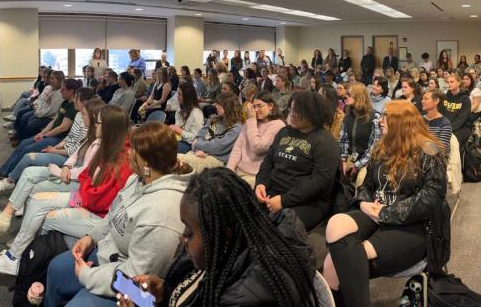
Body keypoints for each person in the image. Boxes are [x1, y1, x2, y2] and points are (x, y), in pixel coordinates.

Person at [117, 167, 318, 307]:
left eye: (190, 231)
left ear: (223, 236)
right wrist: (165, 291)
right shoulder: (225, 251)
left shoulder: (241, 299)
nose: (182, 238)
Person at [44, 122, 194, 306]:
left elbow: (135, 281)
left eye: (133, 150)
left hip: (134, 293)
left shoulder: (161, 214)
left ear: (146, 162)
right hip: (109, 256)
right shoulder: (138, 179)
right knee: (56, 268)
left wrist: (87, 276)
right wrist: (91, 238)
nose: (128, 153)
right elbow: (113, 215)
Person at [323, 100, 449, 307]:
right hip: (375, 211)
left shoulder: (429, 151)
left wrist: (386, 213)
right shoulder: (382, 147)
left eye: (386, 116)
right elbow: (368, 185)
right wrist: (363, 203)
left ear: (402, 122)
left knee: (332, 262)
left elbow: (432, 198)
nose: (380, 121)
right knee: (335, 223)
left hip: (413, 223)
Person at [0, 105, 132, 276]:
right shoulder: (108, 147)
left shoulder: (120, 159)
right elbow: (86, 176)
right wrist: (78, 181)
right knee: (37, 199)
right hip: (85, 198)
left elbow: (97, 198)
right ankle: (16, 256)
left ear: (109, 127)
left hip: (97, 213)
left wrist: (80, 191)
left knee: (43, 213)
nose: (95, 126)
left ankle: (23, 259)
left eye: (98, 123)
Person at [0, 98, 104, 232]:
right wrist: (65, 162)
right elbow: (74, 152)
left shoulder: (97, 140)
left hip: (74, 177)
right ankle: (6, 214)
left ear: (94, 117)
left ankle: (11, 191)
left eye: (84, 114)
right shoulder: (89, 132)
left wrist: (59, 162)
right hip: (68, 167)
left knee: (30, 165)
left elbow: (83, 167)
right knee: (28, 167)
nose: (80, 116)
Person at [255, 91, 339, 231]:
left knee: (280, 229)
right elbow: (268, 161)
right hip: (274, 192)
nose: (291, 114)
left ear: (310, 114)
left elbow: (320, 183)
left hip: (307, 202)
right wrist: (261, 183)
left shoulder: (326, 142)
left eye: (295, 111)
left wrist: (284, 200)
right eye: (291, 109)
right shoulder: (284, 132)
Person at [0, 89, 95, 192]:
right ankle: (7, 173)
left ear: (85, 102)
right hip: (63, 148)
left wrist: (55, 150)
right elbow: (70, 136)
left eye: (77, 98)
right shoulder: (78, 115)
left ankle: (9, 180)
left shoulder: (89, 123)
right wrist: (56, 145)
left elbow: (76, 150)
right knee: (25, 144)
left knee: (28, 155)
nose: (74, 100)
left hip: (69, 157)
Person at [0, 79, 80, 182]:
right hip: (50, 134)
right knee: (23, 143)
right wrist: (42, 133)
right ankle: (3, 170)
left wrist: (45, 135)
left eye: (63, 90)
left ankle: (7, 174)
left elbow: (63, 127)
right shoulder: (65, 102)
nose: (60, 91)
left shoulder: (73, 107)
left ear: (71, 91)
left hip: (58, 138)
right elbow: (54, 120)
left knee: (27, 149)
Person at [228, 92, 285, 187]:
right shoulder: (251, 122)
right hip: (238, 171)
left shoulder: (278, 125)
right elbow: (237, 148)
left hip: (256, 176)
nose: (256, 110)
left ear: (270, 106)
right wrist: (229, 170)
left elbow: (257, 147)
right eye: (254, 107)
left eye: (259, 106)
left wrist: (251, 120)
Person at [179, 92, 242, 173]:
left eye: (218, 104)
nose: (215, 106)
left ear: (227, 106)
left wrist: (197, 144)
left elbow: (218, 147)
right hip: (201, 153)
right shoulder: (216, 121)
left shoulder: (236, 128)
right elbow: (201, 137)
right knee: (178, 160)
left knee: (179, 162)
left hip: (217, 158)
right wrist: (197, 150)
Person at [340, 83, 381, 186]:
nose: (346, 96)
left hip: (367, 161)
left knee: (360, 181)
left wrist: (356, 166)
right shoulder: (348, 116)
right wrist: (343, 161)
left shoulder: (374, 117)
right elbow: (343, 141)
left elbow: (373, 148)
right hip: (350, 158)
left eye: (349, 94)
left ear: (358, 97)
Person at [169, 82, 205, 154]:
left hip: (189, 144)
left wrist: (178, 130)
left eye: (179, 94)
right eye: (177, 94)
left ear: (187, 97)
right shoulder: (179, 111)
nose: (177, 97)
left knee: (165, 148)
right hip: (179, 139)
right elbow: (177, 130)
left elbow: (195, 138)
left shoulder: (196, 113)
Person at [440, 73, 472, 145]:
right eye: (448, 82)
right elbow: (440, 114)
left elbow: (461, 119)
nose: (449, 84)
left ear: (459, 83)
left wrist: (448, 130)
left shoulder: (465, 99)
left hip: (462, 128)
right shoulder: (445, 97)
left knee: (450, 141)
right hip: (445, 126)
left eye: (452, 82)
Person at [422, 89, 452, 155]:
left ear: (436, 101)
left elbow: (440, 150)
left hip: (435, 162)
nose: (422, 101)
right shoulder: (419, 120)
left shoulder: (444, 124)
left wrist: (419, 142)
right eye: (422, 99)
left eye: (426, 99)